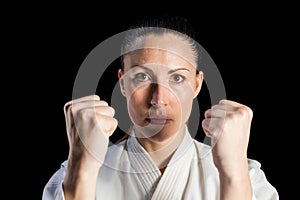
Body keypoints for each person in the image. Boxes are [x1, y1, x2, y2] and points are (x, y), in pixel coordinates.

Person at [42, 15, 279, 200]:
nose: (159, 99)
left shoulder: (247, 178)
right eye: (142, 77)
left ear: (197, 84)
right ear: (122, 83)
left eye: (177, 79)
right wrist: (81, 168)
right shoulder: (71, 177)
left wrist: (233, 174)